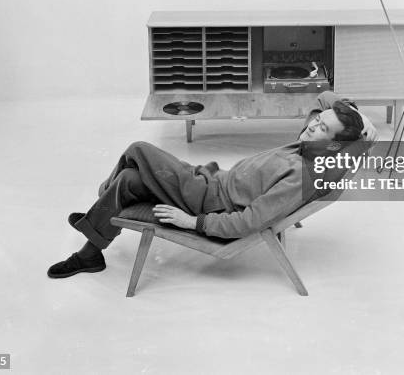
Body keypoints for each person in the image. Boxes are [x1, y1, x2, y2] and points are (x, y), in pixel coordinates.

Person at [47, 92, 377, 279]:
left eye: (320, 127)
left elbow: (250, 221)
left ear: (335, 146)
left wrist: (193, 223)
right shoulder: (312, 144)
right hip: (210, 180)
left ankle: (97, 207)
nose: (311, 125)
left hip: (206, 200)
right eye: (316, 121)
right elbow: (325, 99)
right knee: (129, 181)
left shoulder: (304, 174)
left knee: (138, 150)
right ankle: (90, 254)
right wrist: (362, 122)